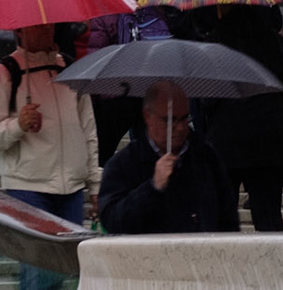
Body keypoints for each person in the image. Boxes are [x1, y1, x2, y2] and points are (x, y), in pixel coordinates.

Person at [0, 22, 99, 290]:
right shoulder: (4, 74)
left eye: (49, 23)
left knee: (62, 270)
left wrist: (94, 182)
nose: (46, 29)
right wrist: (17, 125)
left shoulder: (71, 72)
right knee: (36, 270)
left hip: (69, 187)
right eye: (36, 25)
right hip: (27, 186)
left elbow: (88, 131)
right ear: (20, 31)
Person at [198, 5, 283, 231]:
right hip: (270, 143)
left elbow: (206, 100)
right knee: (268, 218)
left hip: (227, 142)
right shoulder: (273, 42)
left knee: (223, 219)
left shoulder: (214, 44)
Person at [98, 82, 240, 234]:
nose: (179, 128)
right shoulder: (125, 163)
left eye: (185, 118)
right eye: (170, 120)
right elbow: (112, 221)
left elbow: (228, 218)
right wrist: (152, 188)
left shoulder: (206, 157)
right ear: (148, 116)